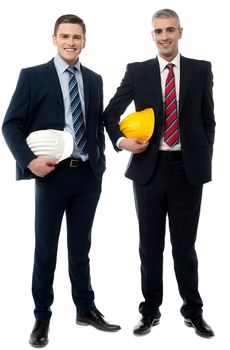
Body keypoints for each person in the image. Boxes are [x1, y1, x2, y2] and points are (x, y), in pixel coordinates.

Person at [2, 14, 120, 348]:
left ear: (85, 41)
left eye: (77, 37)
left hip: (87, 176)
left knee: (81, 248)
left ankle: (85, 309)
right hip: (51, 175)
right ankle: (42, 316)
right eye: (65, 36)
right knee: (46, 249)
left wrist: (101, 160)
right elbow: (10, 125)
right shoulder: (33, 76)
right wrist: (29, 162)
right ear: (54, 38)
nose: (71, 42)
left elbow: (97, 123)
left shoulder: (94, 79)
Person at [103, 9, 215, 338]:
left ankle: (193, 311)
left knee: (185, 248)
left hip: (187, 171)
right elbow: (111, 112)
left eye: (169, 30)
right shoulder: (138, 72)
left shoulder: (200, 69)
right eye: (158, 31)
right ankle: (150, 311)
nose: (164, 36)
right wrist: (122, 141)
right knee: (150, 247)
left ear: (180, 31)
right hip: (148, 171)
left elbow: (209, 119)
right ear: (151, 35)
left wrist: (202, 157)